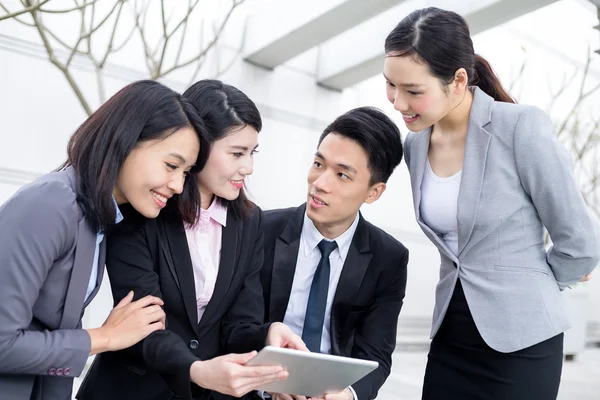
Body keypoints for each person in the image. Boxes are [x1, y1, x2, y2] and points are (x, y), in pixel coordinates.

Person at [383, 7, 600, 399]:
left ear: (458, 80)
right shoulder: (415, 145)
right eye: (390, 86)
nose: (398, 102)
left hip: (522, 341)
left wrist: (537, 281)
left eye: (413, 91)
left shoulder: (520, 127)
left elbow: (579, 239)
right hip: (451, 338)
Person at [78, 80, 305, 400]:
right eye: (237, 153)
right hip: (134, 390)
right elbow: (142, 325)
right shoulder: (141, 210)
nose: (249, 167)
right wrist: (196, 370)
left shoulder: (250, 222)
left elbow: (239, 324)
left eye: (252, 153)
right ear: (197, 147)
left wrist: (268, 333)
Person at [0, 80, 209, 400]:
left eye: (185, 172)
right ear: (125, 140)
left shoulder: (98, 218)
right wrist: (105, 337)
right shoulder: (53, 204)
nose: (178, 185)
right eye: (171, 165)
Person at [259, 107, 409, 400]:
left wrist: (347, 396)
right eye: (318, 164)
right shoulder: (260, 231)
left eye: (342, 175)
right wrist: (268, 382)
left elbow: (376, 354)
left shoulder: (388, 259)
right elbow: (237, 326)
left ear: (374, 192)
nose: (320, 183)